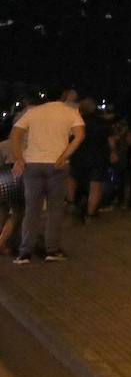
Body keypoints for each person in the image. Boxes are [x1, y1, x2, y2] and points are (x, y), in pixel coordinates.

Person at [9, 93, 85, 263]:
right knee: (55, 209)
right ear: (63, 96)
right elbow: (79, 135)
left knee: (32, 210)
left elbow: (15, 134)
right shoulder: (70, 112)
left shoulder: (33, 112)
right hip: (56, 164)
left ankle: (25, 252)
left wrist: (18, 158)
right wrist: (64, 155)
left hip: (33, 163)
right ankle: (52, 250)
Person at [68, 97, 112, 222]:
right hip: (98, 157)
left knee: (73, 179)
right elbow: (110, 141)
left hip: (79, 155)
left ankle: (71, 202)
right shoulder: (102, 122)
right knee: (95, 186)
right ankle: (90, 214)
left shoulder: (76, 122)